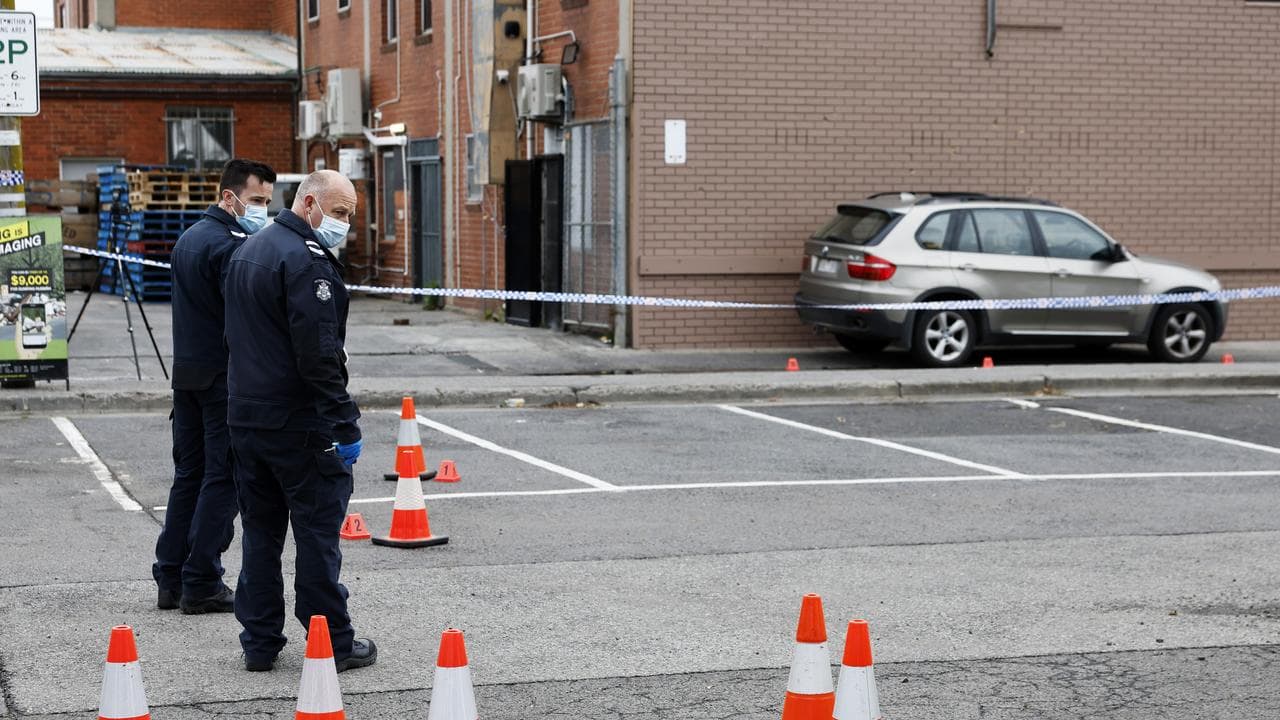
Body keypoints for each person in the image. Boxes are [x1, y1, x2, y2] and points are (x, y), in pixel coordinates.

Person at [222, 169, 375, 673]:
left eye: (348, 215)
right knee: (315, 534)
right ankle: (331, 640)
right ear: (308, 204)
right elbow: (319, 355)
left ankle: (259, 641)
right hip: (299, 423)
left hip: (247, 419)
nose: (344, 224)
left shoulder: (248, 250)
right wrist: (344, 422)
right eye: (339, 212)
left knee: (261, 536)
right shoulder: (305, 263)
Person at [154, 158, 275, 614]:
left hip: (187, 374)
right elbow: (245, 318)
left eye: (267, 200)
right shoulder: (230, 246)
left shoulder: (189, 238)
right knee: (221, 478)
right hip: (222, 378)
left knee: (189, 476)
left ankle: (171, 575)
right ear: (230, 197)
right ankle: (201, 579)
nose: (263, 209)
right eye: (258, 200)